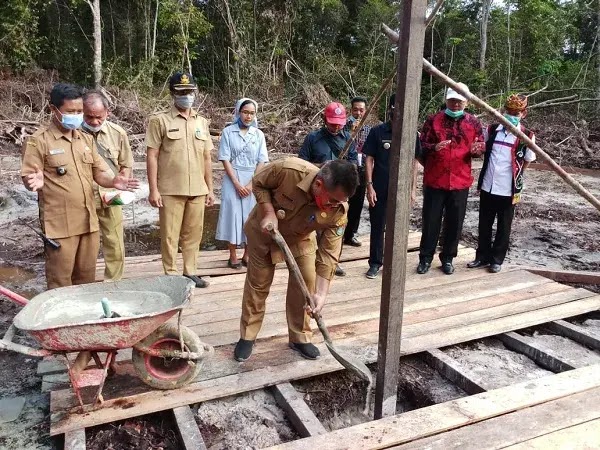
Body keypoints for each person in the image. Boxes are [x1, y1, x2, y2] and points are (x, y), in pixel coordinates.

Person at [234, 158, 359, 362]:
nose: (336, 205)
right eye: (333, 200)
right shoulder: (288, 170)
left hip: (300, 237)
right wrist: (268, 211)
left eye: (341, 201)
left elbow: (329, 253)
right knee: (258, 284)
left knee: (308, 281)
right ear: (319, 185)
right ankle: (247, 335)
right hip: (264, 232)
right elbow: (258, 182)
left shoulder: (338, 210)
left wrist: (321, 294)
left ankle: (300, 337)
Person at [21, 83, 139, 289]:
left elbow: (99, 172)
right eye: (70, 112)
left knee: (86, 278)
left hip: (88, 222)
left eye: (78, 112)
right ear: (53, 110)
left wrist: (114, 181)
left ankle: (83, 319)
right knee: (60, 280)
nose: (76, 116)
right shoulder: (38, 141)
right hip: (60, 225)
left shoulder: (84, 139)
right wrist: (34, 183)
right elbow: (30, 176)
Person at [146, 71, 214, 288]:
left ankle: (190, 271)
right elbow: (152, 155)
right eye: (182, 92)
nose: (187, 96)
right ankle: (171, 274)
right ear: (173, 94)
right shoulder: (160, 121)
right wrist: (154, 190)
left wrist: (210, 189)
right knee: (169, 235)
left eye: (190, 92)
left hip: (197, 188)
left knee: (194, 234)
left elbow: (206, 157)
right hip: (170, 188)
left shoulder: (201, 122)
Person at [418, 82, 485, 275]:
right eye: (453, 100)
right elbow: (421, 145)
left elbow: (480, 145)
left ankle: (448, 258)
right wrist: (434, 147)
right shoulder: (433, 120)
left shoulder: (473, 123)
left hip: (460, 180)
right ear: (446, 99)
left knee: (455, 222)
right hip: (435, 180)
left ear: (466, 102)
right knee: (431, 221)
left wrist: (477, 150)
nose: (456, 104)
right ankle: (425, 258)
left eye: (460, 101)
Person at [468, 94, 536, 273]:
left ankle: (497, 260)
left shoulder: (527, 136)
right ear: (503, 112)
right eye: (509, 111)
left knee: (504, 226)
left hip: (508, 188)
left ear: (524, 113)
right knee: (484, 223)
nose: (512, 114)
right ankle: (482, 257)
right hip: (488, 185)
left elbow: (527, 160)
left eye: (516, 112)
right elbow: (482, 149)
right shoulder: (492, 130)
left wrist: (517, 174)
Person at [363, 94, 422, 279]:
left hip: (402, 190)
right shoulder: (377, 132)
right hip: (379, 187)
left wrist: (413, 189)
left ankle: (395, 263)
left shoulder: (412, 133)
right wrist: (369, 186)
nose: (398, 112)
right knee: (378, 226)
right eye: (395, 108)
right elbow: (369, 159)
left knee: (399, 227)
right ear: (390, 109)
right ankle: (375, 263)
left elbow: (414, 162)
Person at [298, 102, 358, 276]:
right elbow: (302, 163)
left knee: (337, 225)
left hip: (338, 193)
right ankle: (311, 259)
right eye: (332, 122)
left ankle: (333, 261)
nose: (336, 126)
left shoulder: (348, 139)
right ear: (325, 119)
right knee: (314, 225)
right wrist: (321, 166)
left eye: (339, 122)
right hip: (319, 191)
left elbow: (354, 164)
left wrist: (342, 168)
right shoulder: (313, 138)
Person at [81, 90, 134, 281]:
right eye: (89, 117)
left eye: (99, 117)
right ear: (81, 112)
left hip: (112, 197)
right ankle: (85, 284)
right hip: (83, 199)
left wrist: (122, 186)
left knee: (115, 243)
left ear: (108, 113)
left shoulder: (117, 133)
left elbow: (126, 163)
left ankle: (112, 284)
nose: (94, 122)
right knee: (87, 246)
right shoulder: (73, 134)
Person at [215, 98, 268, 268]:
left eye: (252, 113)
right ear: (238, 112)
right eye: (245, 112)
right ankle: (232, 255)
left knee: (250, 217)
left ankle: (247, 254)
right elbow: (225, 159)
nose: (248, 116)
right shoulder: (228, 132)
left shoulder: (258, 134)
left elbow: (262, 161)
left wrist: (251, 184)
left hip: (252, 177)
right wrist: (237, 184)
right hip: (233, 178)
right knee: (232, 215)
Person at [342, 96, 371, 247]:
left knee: (358, 203)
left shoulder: (369, 129)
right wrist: (351, 133)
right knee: (342, 200)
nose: (358, 113)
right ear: (350, 110)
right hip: (346, 168)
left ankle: (351, 234)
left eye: (361, 110)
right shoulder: (343, 126)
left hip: (362, 169)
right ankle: (337, 234)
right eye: (355, 110)